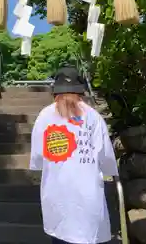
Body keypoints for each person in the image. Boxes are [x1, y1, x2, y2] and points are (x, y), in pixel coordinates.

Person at [30, 65, 118, 244]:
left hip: (57, 192)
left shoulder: (45, 116)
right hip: (88, 193)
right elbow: (106, 157)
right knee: (87, 235)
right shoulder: (93, 116)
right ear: (81, 91)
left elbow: (38, 157)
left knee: (61, 235)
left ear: (56, 91)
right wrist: (111, 172)